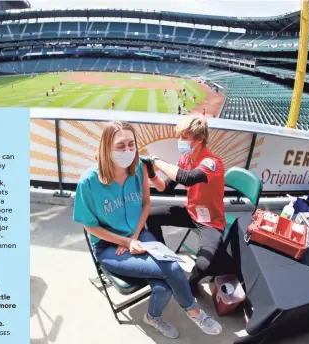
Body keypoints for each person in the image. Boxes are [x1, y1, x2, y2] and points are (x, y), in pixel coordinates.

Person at [73, 121, 222, 338]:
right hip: (108, 247)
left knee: (163, 287)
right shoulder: (89, 181)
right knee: (172, 269)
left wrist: (133, 237)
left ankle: (152, 318)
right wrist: (125, 242)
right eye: (120, 145)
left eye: (131, 144)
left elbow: (146, 205)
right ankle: (194, 311)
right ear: (106, 147)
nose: (127, 150)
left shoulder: (138, 169)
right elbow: (89, 225)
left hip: (137, 235)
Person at [140, 115, 226, 294]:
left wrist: (156, 160)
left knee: (203, 264)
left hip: (210, 221)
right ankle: (166, 261)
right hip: (191, 211)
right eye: (180, 137)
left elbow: (187, 178)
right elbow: (166, 188)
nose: (180, 141)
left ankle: (192, 283)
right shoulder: (185, 159)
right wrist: (151, 173)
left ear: (200, 139)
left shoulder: (212, 163)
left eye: (185, 138)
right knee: (150, 216)